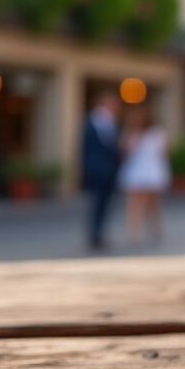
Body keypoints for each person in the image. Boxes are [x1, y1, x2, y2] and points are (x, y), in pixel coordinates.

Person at [118, 108, 170, 244]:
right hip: (136, 171)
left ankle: (155, 228)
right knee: (134, 203)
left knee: (153, 203)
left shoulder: (157, 133)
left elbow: (163, 152)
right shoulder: (130, 134)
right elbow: (124, 152)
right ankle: (135, 232)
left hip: (151, 171)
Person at [81, 92, 122, 250]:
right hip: (97, 169)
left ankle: (99, 234)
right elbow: (86, 148)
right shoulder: (92, 122)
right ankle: (95, 234)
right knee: (97, 203)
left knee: (105, 203)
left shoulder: (112, 122)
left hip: (109, 170)